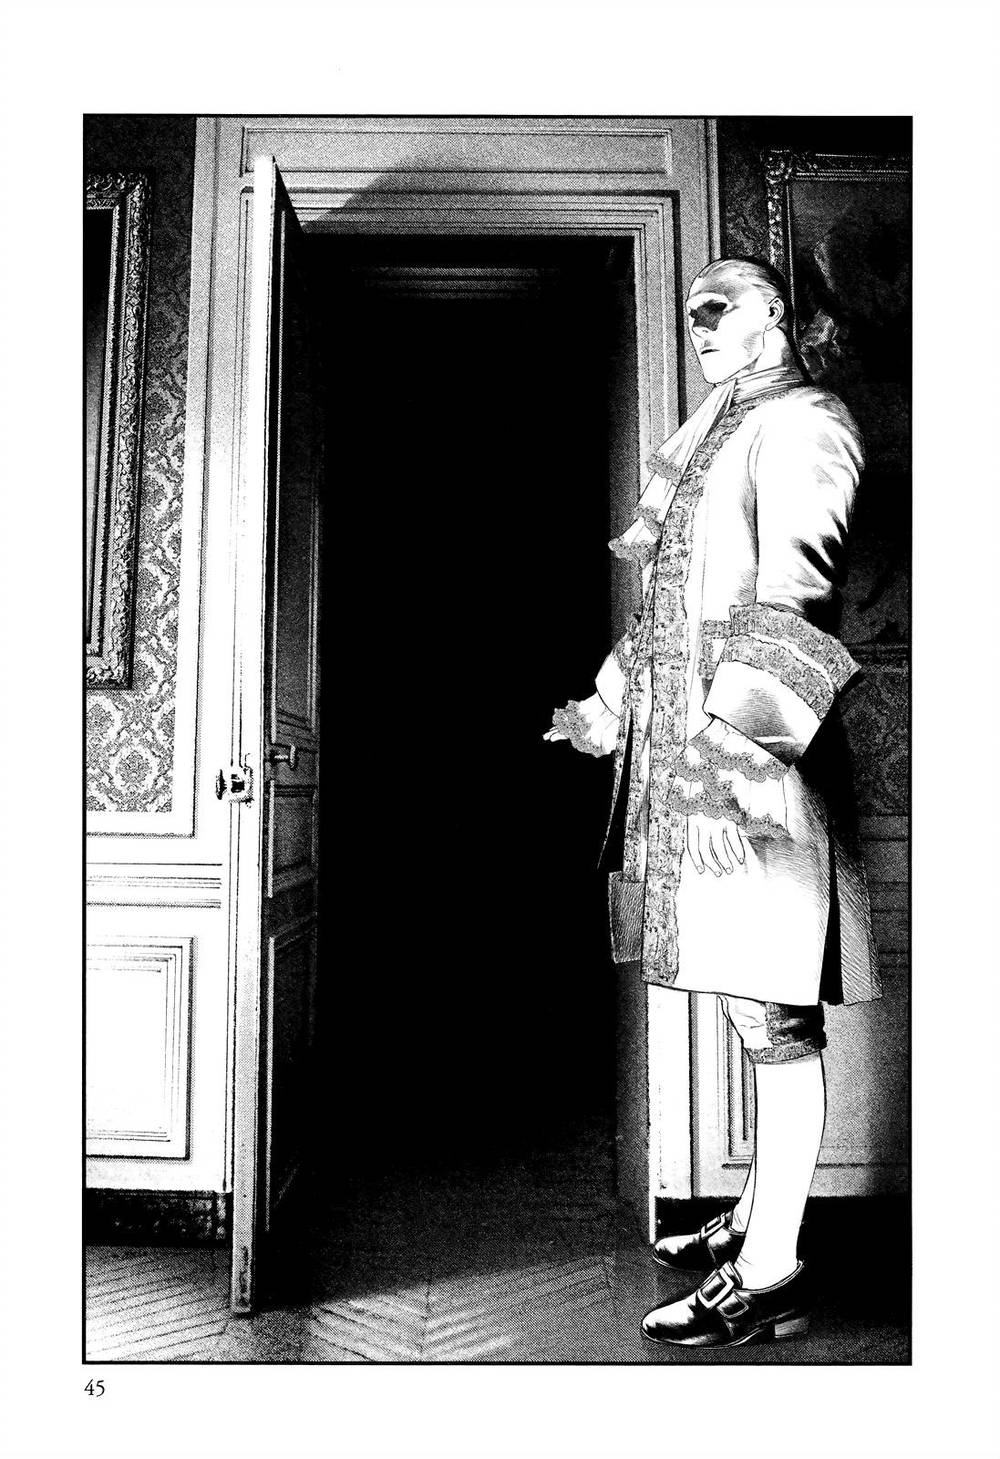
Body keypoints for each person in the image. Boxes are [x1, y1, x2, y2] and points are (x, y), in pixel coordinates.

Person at [544, 255, 880, 1348]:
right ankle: (754, 1215)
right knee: (744, 996)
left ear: (773, 314)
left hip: (754, 771)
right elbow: (670, 610)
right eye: (691, 310)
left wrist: (722, 777)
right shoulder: (718, 433)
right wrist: (605, 705)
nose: (697, 324)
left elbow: (794, 606)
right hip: (697, 759)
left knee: (775, 1013)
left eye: (717, 306)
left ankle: (771, 1267)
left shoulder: (806, 423)